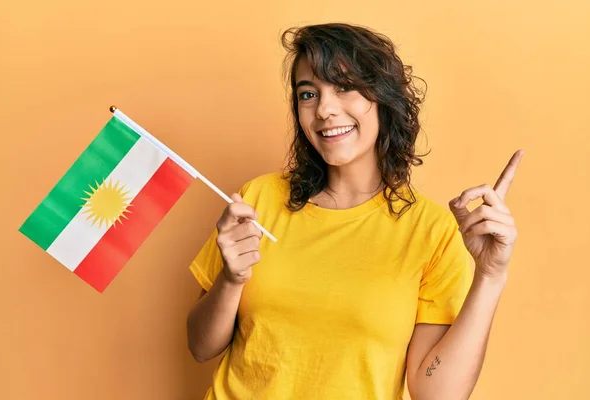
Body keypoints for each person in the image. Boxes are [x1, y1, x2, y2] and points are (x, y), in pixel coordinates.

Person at [186, 22, 523, 400]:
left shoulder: (432, 232)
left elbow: (436, 394)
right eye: (308, 93)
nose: (325, 110)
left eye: (344, 87)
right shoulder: (258, 199)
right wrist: (230, 279)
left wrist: (490, 277)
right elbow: (200, 347)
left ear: (383, 97)